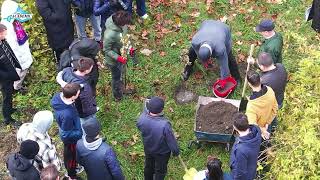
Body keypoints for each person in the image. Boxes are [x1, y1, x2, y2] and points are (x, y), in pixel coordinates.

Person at [182, 20, 241, 85]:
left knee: (228, 56)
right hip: (207, 24)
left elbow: (223, 65)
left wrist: (224, 79)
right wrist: (204, 61)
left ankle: (236, 77)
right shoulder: (195, 41)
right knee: (191, 52)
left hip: (224, 29)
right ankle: (188, 68)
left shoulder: (220, 49)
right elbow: (197, 52)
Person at [137, 96, 180, 180]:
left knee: (149, 166)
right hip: (162, 153)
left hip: (148, 148)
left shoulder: (141, 119)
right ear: (161, 110)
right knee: (160, 170)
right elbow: (171, 140)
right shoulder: (164, 125)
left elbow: (139, 127)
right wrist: (176, 151)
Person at [51, 83, 83, 179]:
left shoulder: (58, 97)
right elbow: (66, 134)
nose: (79, 94)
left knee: (71, 153)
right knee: (71, 156)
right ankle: (71, 173)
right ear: (73, 96)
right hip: (71, 139)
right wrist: (80, 133)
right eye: (78, 93)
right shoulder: (67, 114)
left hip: (69, 127)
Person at [1, 0, 33, 93]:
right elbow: (9, 44)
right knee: (20, 70)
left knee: (23, 68)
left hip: (22, 50)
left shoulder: (13, 19)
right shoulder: (6, 25)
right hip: (17, 53)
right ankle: (15, 88)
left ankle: (16, 86)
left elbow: (27, 16)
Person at [56, 57, 98, 123]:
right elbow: (86, 104)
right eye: (91, 67)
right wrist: (94, 109)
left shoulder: (67, 71)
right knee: (89, 123)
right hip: (82, 112)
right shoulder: (83, 86)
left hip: (73, 106)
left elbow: (60, 76)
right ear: (86, 70)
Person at [103, 10, 133, 101]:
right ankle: (117, 95)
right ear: (120, 24)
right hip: (113, 61)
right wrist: (118, 57)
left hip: (122, 52)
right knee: (116, 77)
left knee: (122, 72)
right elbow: (106, 50)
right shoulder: (109, 35)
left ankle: (122, 88)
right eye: (125, 24)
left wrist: (129, 47)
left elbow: (124, 37)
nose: (127, 26)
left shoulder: (121, 24)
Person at [36, 0, 74, 64]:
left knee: (69, 44)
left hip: (67, 24)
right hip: (54, 28)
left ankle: (70, 62)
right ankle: (60, 65)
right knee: (58, 49)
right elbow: (44, 11)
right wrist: (59, 16)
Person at [246, 70, 278, 139]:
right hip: (268, 122)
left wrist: (263, 129)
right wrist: (267, 123)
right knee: (268, 137)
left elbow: (252, 124)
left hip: (259, 130)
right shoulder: (270, 90)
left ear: (249, 84)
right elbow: (275, 108)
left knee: (262, 143)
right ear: (260, 79)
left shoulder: (251, 106)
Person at [0, 23, 22, 126]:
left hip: (10, 73)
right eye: (4, 34)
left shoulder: (3, 42)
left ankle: (10, 108)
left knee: (10, 92)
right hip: (4, 78)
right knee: (6, 96)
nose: (6, 35)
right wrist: (6, 76)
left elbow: (10, 54)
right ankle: (7, 118)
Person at [230, 113, 261, 180]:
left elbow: (240, 172)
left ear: (234, 127)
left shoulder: (241, 150)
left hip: (246, 176)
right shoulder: (256, 130)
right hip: (252, 165)